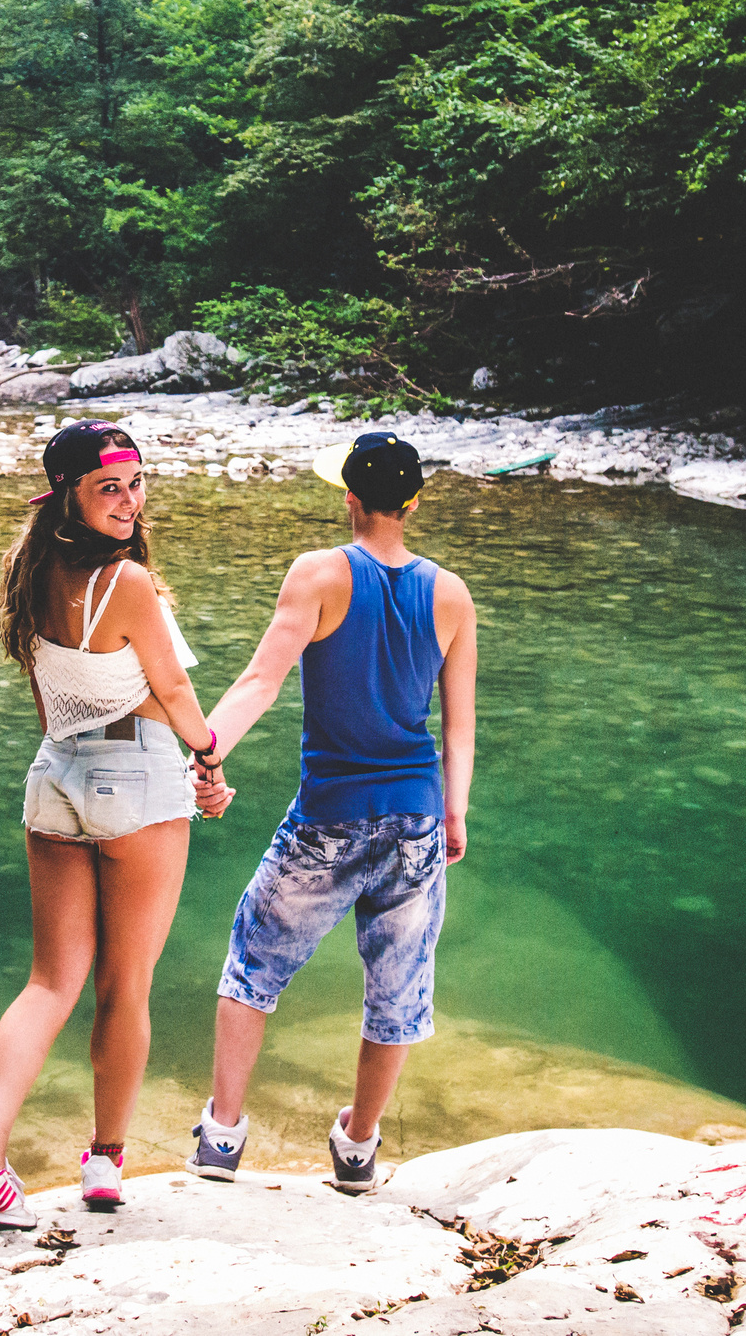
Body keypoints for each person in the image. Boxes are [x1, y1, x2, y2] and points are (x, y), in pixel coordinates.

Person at [0, 420, 230, 1229]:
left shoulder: (29, 570)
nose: (130, 501)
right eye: (109, 488)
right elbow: (174, 692)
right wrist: (209, 762)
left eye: (136, 484)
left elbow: (51, 704)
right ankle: (104, 1162)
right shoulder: (127, 582)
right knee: (124, 987)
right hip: (137, 777)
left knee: (48, 983)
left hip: (56, 776)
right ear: (69, 494)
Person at [184, 431, 477, 1194]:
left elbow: (260, 680)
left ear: (349, 498)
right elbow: (459, 725)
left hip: (329, 816)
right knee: (397, 989)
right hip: (415, 815)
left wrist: (206, 750)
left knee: (253, 960)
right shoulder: (451, 593)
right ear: (413, 502)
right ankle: (358, 1146)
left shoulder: (318, 575)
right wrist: (454, 811)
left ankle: (222, 1135)